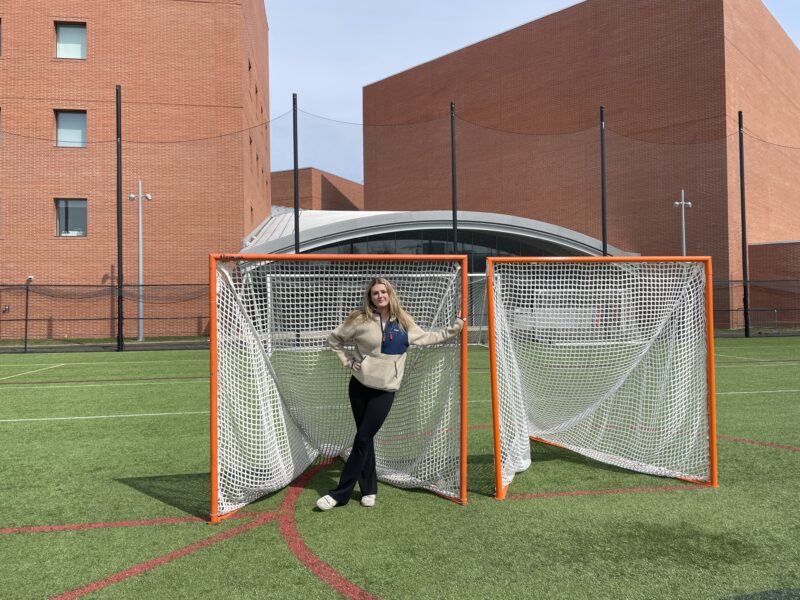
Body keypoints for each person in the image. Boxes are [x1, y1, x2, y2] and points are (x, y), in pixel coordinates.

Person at [316, 277, 464, 511]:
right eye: (375, 293)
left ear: (390, 294)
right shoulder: (359, 319)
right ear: (370, 297)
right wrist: (347, 361)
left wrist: (456, 327)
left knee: (363, 438)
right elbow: (334, 340)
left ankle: (339, 494)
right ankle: (369, 489)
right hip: (359, 387)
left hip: (385, 390)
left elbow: (427, 338)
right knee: (365, 438)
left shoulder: (404, 321)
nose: (380, 296)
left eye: (383, 292)